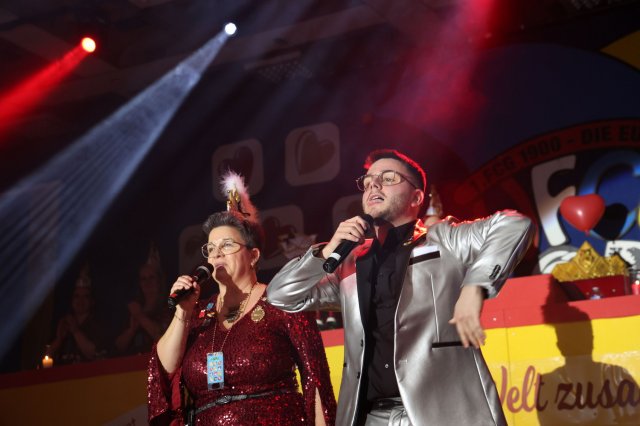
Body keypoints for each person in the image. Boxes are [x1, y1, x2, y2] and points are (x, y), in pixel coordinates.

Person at [267, 149, 535, 426]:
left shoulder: (444, 240)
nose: (374, 185)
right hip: (370, 416)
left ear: (416, 197)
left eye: (388, 178)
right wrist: (325, 252)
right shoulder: (351, 262)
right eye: (368, 181)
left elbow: (515, 225)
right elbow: (280, 295)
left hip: (440, 414)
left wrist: (475, 286)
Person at [147, 171, 336, 426]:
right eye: (211, 248)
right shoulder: (199, 313)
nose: (216, 254)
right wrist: (183, 312)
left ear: (253, 256)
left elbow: (316, 379)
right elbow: (163, 372)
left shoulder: (282, 302)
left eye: (227, 245)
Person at [115, 245, 172, 355]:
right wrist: (131, 330)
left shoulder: (169, 307)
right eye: (143, 279)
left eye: (151, 277)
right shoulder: (135, 308)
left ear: (159, 281)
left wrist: (140, 316)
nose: (147, 283)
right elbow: (118, 347)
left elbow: (164, 338)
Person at [49, 265, 108, 365]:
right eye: (77, 296)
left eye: (85, 296)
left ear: (92, 301)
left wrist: (75, 331)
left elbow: (94, 354)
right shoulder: (64, 324)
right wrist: (59, 339)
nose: (80, 301)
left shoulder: (98, 324)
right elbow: (47, 358)